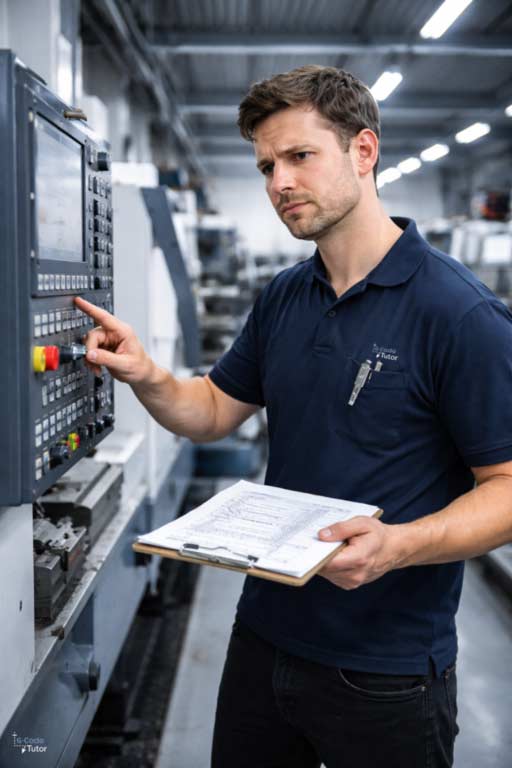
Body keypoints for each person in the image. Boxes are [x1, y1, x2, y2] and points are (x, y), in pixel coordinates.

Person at [75, 65, 512, 768]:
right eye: (266, 165)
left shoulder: (458, 314)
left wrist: (395, 545)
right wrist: (147, 375)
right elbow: (216, 410)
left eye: (299, 156)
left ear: (363, 152)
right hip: (264, 640)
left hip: (387, 670)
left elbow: (508, 486)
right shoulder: (285, 296)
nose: (279, 182)